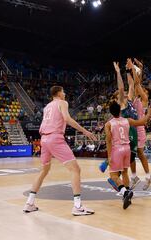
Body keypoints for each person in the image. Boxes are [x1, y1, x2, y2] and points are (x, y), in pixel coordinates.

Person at [23, 86, 97, 216]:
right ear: (58, 93)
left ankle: (29, 203)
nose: (65, 93)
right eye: (63, 91)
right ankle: (78, 206)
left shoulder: (47, 107)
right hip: (54, 138)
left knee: (43, 170)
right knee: (75, 170)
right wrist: (85, 131)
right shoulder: (62, 103)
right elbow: (67, 119)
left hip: (44, 139)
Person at [105, 101, 151, 209]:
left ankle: (125, 192)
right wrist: (149, 113)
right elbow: (142, 122)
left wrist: (109, 156)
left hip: (117, 149)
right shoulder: (127, 120)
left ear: (111, 112)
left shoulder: (108, 124)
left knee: (113, 176)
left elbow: (108, 141)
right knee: (125, 172)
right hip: (127, 149)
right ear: (120, 111)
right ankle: (127, 196)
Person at [129, 58, 151, 190]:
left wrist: (137, 69)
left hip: (139, 129)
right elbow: (136, 84)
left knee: (139, 153)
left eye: (145, 90)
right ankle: (134, 177)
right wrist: (138, 69)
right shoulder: (136, 99)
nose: (142, 90)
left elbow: (138, 83)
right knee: (132, 154)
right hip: (132, 128)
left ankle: (148, 176)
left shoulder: (144, 99)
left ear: (147, 94)